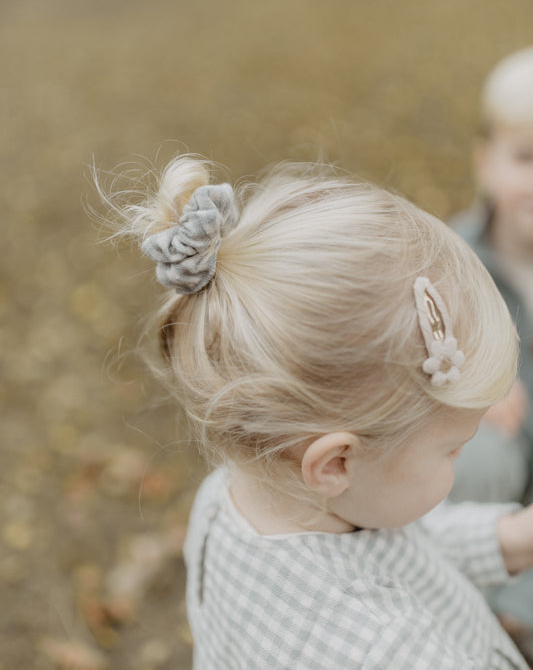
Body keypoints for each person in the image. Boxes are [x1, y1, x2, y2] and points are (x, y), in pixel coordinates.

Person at [108, 155, 533, 669]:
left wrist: (511, 538)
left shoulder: (243, 495)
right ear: (334, 463)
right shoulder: (387, 653)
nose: (463, 454)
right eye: (451, 448)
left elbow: (397, 549)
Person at [450, 47, 533, 645]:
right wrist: (469, 374)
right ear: (485, 162)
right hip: (492, 480)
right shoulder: (447, 259)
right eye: (526, 157)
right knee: (473, 449)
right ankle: (469, 600)